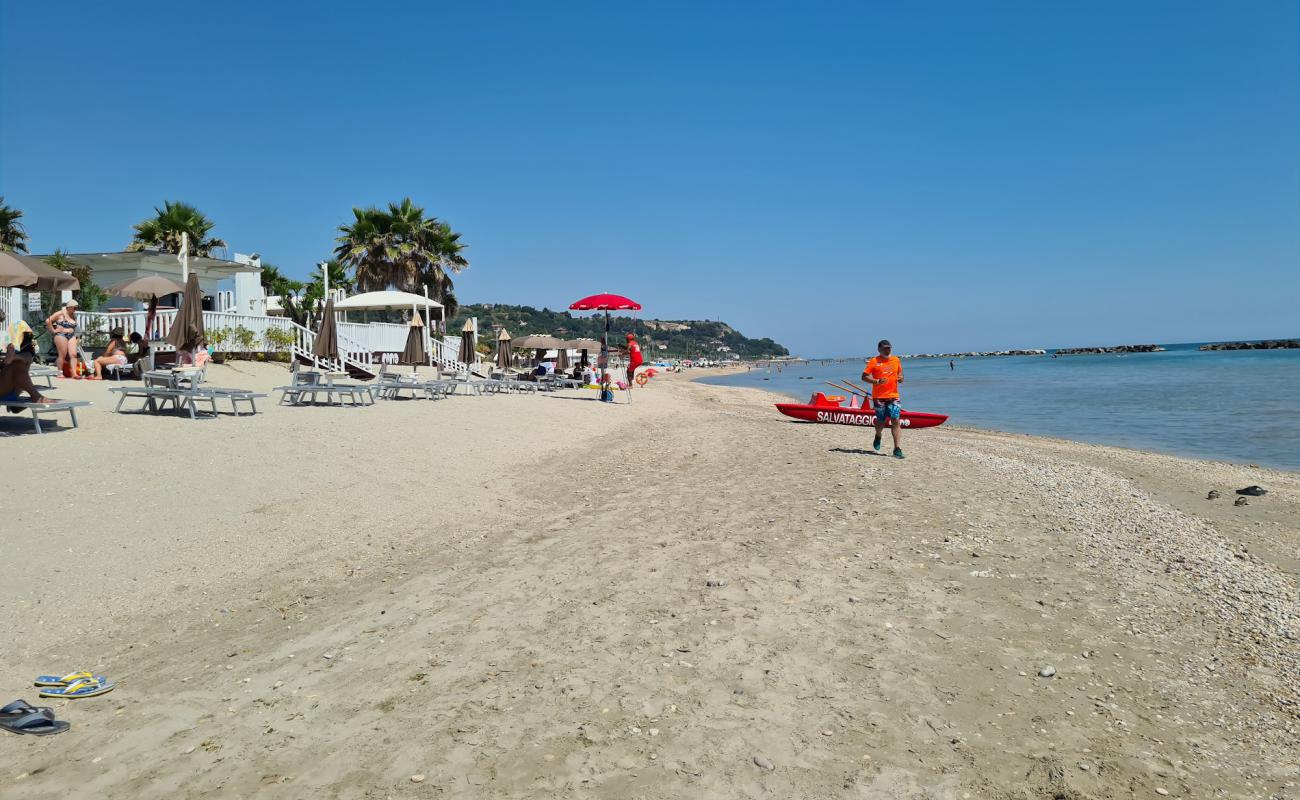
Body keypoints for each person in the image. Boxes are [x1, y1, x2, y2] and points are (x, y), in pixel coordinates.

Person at [862, 339, 905, 458]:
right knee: (881, 421)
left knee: (895, 420)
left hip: (893, 396)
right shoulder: (874, 361)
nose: (888, 349)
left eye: (889, 347)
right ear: (879, 349)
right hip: (879, 397)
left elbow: (900, 375)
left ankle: (897, 448)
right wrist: (877, 381)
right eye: (885, 348)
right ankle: (878, 435)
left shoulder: (896, 360)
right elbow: (864, 377)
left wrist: (901, 379)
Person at [1, 339, 54, 409]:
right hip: (7, 389)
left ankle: (15, 357)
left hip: (11, 390)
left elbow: (29, 358)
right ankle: (36, 396)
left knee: (23, 358)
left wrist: (13, 358)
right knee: (18, 363)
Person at [45, 299, 80, 378]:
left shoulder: (73, 315)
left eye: (76, 308)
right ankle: (60, 372)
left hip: (71, 335)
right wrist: (53, 331)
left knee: (73, 354)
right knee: (62, 354)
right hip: (61, 335)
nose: (76, 310)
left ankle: (74, 373)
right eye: (75, 308)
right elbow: (48, 321)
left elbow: (73, 326)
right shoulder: (60, 313)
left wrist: (75, 335)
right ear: (69, 307)